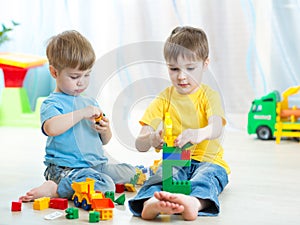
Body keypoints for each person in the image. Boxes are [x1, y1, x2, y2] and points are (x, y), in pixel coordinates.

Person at [20, 30, 136, 202]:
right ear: (54, 72)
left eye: (86, 75)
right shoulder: (52, 103)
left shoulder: (90, 103)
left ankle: (85, 181)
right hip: (66, 168)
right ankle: (57, 189)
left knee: (130, 173)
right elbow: (51, 128)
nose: (81, 81)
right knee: (106, 185)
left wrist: (105, 129)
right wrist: (81, 113)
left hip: (96, 165)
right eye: (74, 76)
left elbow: (104, 140)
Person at [128, 26, 230, 221]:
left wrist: (198, 134)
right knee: (160, 178)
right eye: (174, 69)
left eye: (190, 68)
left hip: (208, 160)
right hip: (174, 161)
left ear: (205, 64)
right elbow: (140, 144)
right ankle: (150, 202)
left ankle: (194, 202)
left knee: (207, 178)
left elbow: (216, 127)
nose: (181, 76)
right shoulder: (164, 99)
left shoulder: (209, 96)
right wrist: (150, 138)